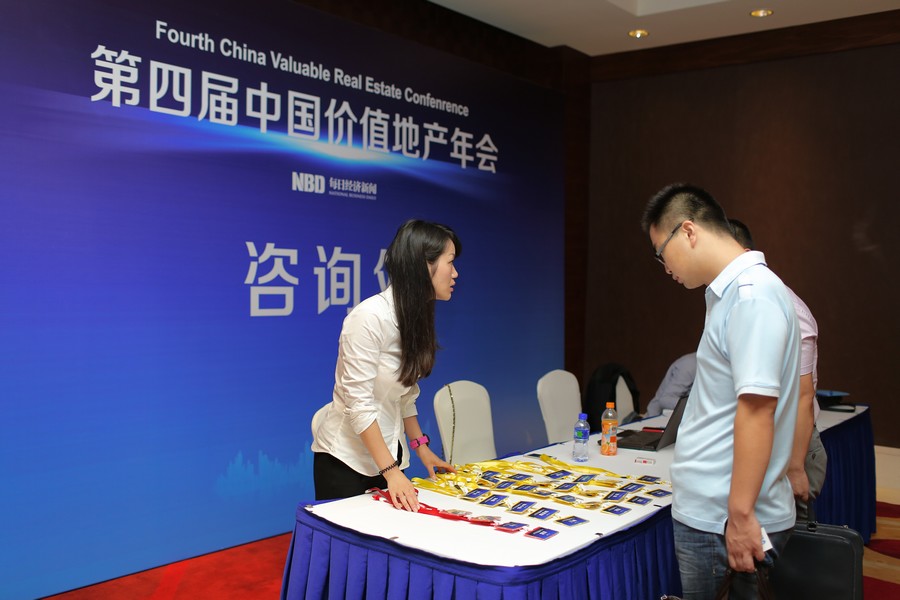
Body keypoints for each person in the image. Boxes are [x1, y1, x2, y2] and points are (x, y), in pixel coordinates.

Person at [641, 183, 800, 599]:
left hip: (723, 519)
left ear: (688, 231)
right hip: (714, 513)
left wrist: (741, 516)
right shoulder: (731, 294)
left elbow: (757, 412)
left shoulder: (751, 297)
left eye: (661, 253)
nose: (665, 268)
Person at [311, 219, 459, 512]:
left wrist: (422, 449)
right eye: (450, 262)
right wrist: (391, 472)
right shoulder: (369, 317)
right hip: (347, 463)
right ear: (424, 265)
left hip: (389, 460)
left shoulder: (415, 316)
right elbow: (358, 403)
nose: (455, 273)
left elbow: (405, 396)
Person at [729, 218, 827, 521]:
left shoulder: (780, 304)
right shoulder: (734, 301)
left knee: (789, 539)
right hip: (762, 441)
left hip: (792, 448)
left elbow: (803, 395)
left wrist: (795, 468)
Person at [645, 352, 696, 417]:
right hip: (657, 419)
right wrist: (696, 406)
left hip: (686, 418)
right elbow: (665, 400)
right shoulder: (689, 364)